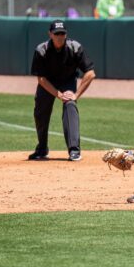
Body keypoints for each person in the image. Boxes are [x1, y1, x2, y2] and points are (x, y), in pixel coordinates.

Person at [29, 19, 96, 161]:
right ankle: (42, 149)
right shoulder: (42, 50)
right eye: (56, 33)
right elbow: (41, 79)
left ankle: (74, 150)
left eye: (62, 33)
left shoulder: (75, 47)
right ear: (50, 34)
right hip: (48, 82)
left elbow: (90, 73)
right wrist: (58, 94)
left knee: (70, 105)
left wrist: (76, 95)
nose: (59, 36)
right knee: (40, 110)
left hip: (68, 81)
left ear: (66, 34)